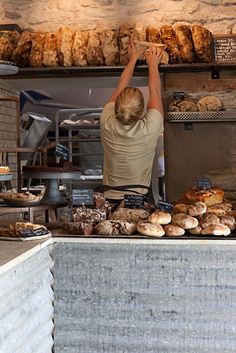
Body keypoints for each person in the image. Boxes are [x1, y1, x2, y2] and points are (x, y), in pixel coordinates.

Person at [100, 39, 164, 203]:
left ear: (116, 107)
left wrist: (133, 58)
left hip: (109, 199)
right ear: (142, 111)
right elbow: (155, 90)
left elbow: (120, 86)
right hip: (138, 201)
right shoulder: (150, 127)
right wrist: (153, 64)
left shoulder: (106, 121)